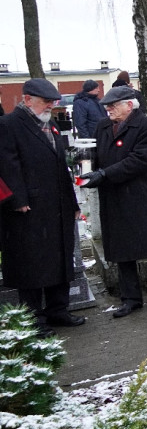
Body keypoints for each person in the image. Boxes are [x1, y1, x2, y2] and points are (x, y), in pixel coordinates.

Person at [81, 86, 147, 317]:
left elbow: (140, 159)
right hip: (113, 195)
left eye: (113, 105)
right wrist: (89, 169)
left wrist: (105, 174)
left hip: (141, 194)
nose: (108, 109)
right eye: (107, 106)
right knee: (121, 248)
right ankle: (130, 298)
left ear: (129, 105)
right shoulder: (103, 126)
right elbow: (96, 156)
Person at [0, 78, 85, 336]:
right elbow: (6, 164)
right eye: (46, 101)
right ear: (27, 99)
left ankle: (58, 309)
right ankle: (34, 317)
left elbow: (62, 168)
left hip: (57, 204)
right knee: (33, 264)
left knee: (60, 258)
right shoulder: (9, 125)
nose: (51, 105)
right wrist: (18, 199)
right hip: (29, 208)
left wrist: (72, 202)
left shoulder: (51, 125)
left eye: (53, 101)